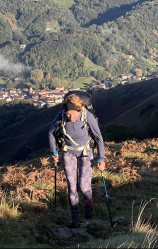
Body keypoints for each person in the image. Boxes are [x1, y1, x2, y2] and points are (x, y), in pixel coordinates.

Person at [49, 93, 105, 228]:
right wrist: (54, 151)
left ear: (79, 110)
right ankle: (75, 216)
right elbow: (51, 132)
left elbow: (98, 137)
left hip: (86, 152)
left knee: (84, 187)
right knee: (72, 187)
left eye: (73, 114)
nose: (70, 117)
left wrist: (101, 158)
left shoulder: (88, 116)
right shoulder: (61, 116)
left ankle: (88, 202)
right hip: (68, 152)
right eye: (68, 114)